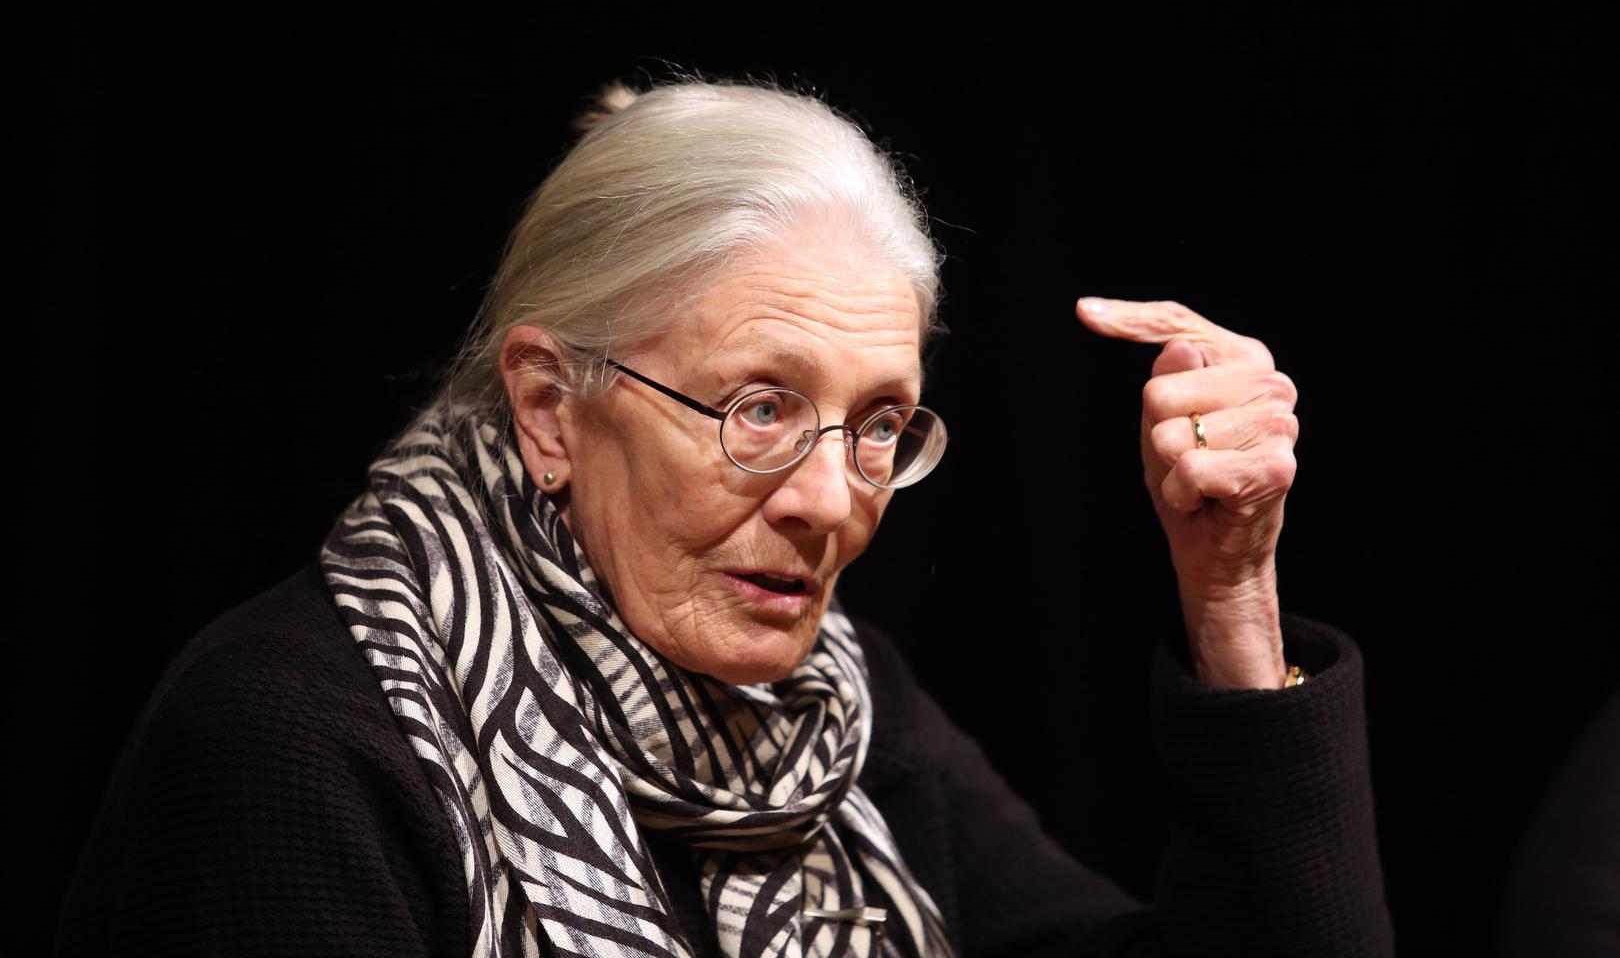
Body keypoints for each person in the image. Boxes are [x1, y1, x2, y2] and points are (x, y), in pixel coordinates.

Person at [59, 76, 1395, 956]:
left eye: (879, 425)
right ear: (551, 409)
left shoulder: (838, 707)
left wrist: (1234, 597)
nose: (828, 503)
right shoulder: (298, 738)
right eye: (757, 408)